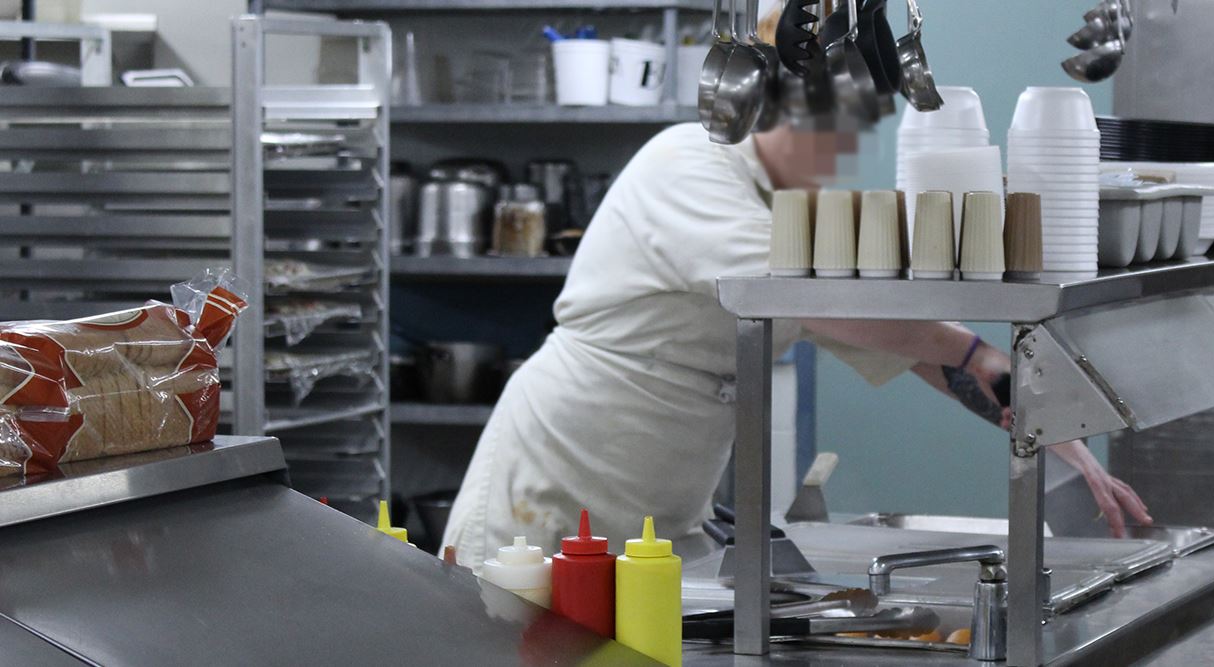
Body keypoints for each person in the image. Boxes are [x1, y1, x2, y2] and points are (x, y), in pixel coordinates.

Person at [442, 115, 1149, 572]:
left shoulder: (788, 206)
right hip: (550, 498)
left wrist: (1043, 417)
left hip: (660, 526)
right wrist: (975, 354)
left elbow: (909, 340)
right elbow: (820, 299)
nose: (834, 143)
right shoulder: (690, 162)